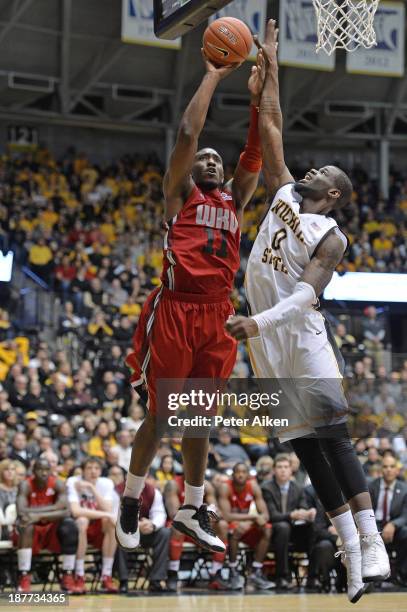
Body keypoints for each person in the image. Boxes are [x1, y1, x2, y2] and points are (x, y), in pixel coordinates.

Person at [225, 20, 390, 604]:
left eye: (326, 172)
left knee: (336, 436)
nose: (313, 170)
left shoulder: (332, 235)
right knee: (304, 447)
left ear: (338, 193)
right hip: (266, 342)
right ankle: (349, 551)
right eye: (313, 167)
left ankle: (372, 542)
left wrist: (256, 321)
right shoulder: (284, 192)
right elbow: (271, 124)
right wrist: (271, 68)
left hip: (296, 334)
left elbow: (305, 298)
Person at [116, 45, 266, 553]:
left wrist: (258, 99)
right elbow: (186, 134)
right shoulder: (180, 197)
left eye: (214, 159)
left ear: (223, 174)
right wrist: (211, 77)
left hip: (219, 314)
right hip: (176, 308)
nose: (207, 159)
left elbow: (256, 155)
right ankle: (132, 497)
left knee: (201, 417)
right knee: (162, 417)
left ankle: (192, 505)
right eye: (202, 157)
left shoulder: (235, 199)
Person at [16, 458, 79, 593]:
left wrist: (38, 515)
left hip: (51, 527)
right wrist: (54, 508)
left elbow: (67, 511)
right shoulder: (25, 485)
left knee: (70, 526)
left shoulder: (58, 484)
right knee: (25, 525)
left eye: (46, 470)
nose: (43, 473)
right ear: (33, 471)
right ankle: (24, 575)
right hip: (30, 529)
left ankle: (68, 573)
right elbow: (21, 511)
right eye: (40, 470)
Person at [164, 475, 229, 591]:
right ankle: (172, 573)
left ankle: (215, 573)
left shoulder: (207, 485)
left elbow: (215, 512)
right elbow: (174, 514)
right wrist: (201, 516)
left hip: (200, 528)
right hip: (182, 528)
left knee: (223, 526)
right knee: (177, 528)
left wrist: (206, 518)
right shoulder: (174, 484)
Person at [261, 454, 316, 589]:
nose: (283, 470)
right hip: (272, 530)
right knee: (283, 527)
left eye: (286, 467)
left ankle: (312, 576)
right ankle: (282, 577)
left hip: (294, 529)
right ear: (273, 470)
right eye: (279, 467)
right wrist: (292, 515)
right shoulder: (266, 488)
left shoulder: (298, 488)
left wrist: (307, 513)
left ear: (291, 470)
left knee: (313, 527)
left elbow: (303, 507)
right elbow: (272, 515)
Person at [217, 462, 274, 591]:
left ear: (248, 475)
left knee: (267, 528)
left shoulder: (253, 486)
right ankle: (233, 570)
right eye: (238, 472)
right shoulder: (225, 487)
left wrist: (251, 522)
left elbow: (265, 515)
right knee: (234, 529)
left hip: (245, 524)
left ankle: (256, 571)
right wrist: (253, 518)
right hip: (230, 526)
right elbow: (226, 516)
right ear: (233, 474)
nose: (241, 475)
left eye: (244, 472)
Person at [66, 456, 118, 593]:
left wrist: (91, 488)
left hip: (99, 528)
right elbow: (76, 511)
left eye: (96, 468)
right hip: (78, 529)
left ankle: (106, 575)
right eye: (89, 468)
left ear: (101, 471)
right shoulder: (73, 481)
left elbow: (107, 508)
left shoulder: (106, 483)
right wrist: (107, 514)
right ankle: (80, 575)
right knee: (82, 521)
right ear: (82, 471)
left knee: (111, 524)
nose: (93, 471)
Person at [368, 454, 407, 585]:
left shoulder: (404, 488)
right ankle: (374, 577)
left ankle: (402, 574)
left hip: (395, 527)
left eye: (392, 466)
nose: (388, 469)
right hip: (375, 526)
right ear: (380, 469)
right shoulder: (371, 486)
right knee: (366, 536)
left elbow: (405, 515)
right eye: (385, 466)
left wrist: (393, 525)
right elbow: (366, 511)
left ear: (397, 470)